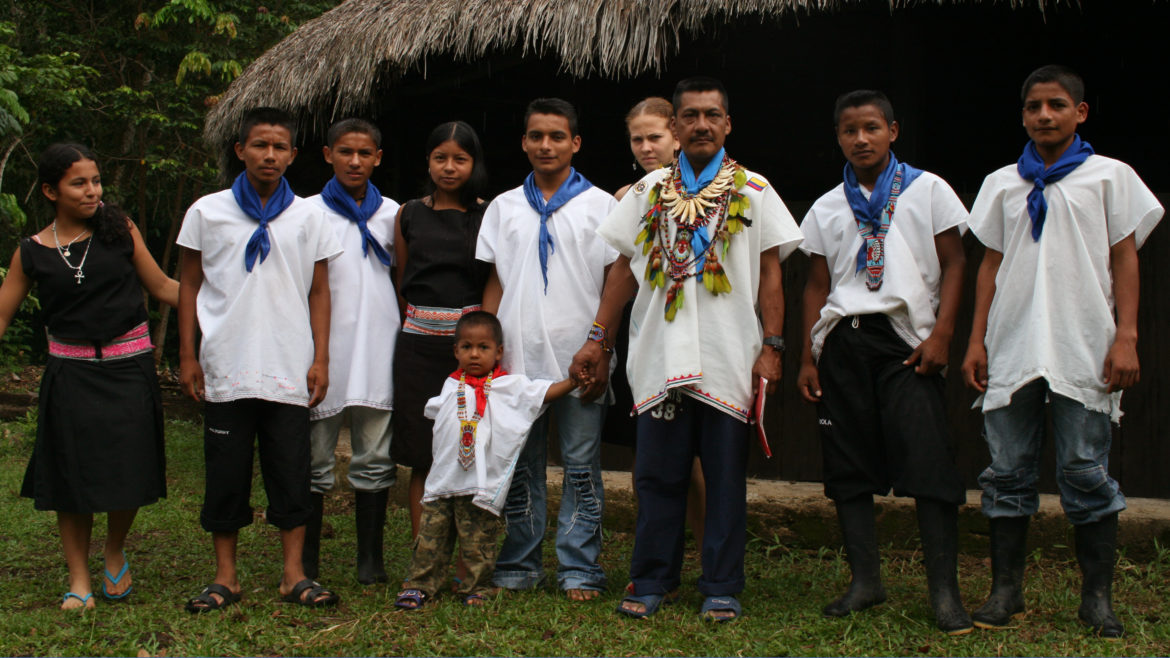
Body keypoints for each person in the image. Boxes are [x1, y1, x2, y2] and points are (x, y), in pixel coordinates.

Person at [571, 77, 803, 621]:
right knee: (657, 475)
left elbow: (771, 275)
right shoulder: (649, 193)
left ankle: (721, 584)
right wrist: (598, 338)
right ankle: (653, 580)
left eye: (712, 115)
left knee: (723, 478)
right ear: (674, 127)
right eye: (690, 116)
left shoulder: (754, 191)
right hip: (658, 354)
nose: (701, 124)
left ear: (727, 125)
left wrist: (772, 346)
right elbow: (624, 277)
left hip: (728, 355)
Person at [960, 65, 1163, 638]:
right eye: (1033, 106)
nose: (1044, 115)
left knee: (1083, 468)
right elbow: (990, 265)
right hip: (1013, 341)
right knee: (1006, 471)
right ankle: (1006, 592)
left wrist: (1127, 334)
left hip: (1083, 342)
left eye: (1056, 104)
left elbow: (1125, 257)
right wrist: (976, 339)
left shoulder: (1109, 177)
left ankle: (1096, 599)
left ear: (1080, 112)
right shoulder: (1003, 182)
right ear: (1022, 114)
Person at [796, 90, 971, 634]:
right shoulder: (827, 205)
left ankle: (945, 594)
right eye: (849, 130)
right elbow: (817, 285)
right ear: (839, 138)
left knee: (927, 461)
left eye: (871, 128)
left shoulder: (928, 190)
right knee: (847, 466)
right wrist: (808, 354)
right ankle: (865, 582)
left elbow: (955, 262)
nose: (860, 139)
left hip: (907, 342)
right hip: (843, 341)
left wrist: (943, 335)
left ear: (893, 131)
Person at [177, 107, 343, 612]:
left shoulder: (311, 216)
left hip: (289, 364)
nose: (269, 155)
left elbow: (319, 290)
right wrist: (188, 355)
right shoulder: (207, 212)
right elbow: (189, 284)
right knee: (226, 473)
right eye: (259, 145)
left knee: (291, 471)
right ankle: (225, 577)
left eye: (279, 147)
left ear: (293, 155)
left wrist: (321, 358)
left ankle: (293, 575)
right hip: (227, 363)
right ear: (240, 150)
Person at [0, 143, 177, 610]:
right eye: (79, 183)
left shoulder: (121, 230)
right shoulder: (31, 253)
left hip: (129, 368)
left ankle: (114, 549)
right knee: (70, 477)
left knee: (129, 468)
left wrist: (230, 300)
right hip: (70, 375)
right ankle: (79, 579)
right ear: (50, 190)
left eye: (96, 180)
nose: (92, 190)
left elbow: (161, 287)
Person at [478, 98, 617, 600]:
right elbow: (496, 281)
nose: (545, 145)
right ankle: (518, 564)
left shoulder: (602, 206)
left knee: (581, 464)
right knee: (521, 464)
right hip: (517, 360)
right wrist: (490, 350)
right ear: (523, 142)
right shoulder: (503, 207)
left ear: (575, 143)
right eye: (536, 136)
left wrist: (602, 348)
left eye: (557, 136)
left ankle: (580, 568)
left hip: (580, 356)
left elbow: (613, 285)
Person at [394, 312, 579, 609]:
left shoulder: (507, 386)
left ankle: (476, 587)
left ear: (499, 352)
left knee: (479, 541)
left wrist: (572, 381)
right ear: (456, 351)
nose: (475, 354)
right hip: (443, 482)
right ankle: (419, 584)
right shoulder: (450, 385)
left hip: (478, 485)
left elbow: (541, 394)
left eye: (483, 347)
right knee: (431, 538)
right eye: (466, 347)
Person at [302, 118, 401, 585]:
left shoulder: (395, 215)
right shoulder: (304, 213)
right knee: (315, 458)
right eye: (345, 152)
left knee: (375, 456)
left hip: (379, 349)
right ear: (328, 154)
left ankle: (370, 559)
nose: (355, 161)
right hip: (321, 353)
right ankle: (307, 560)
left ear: (379, 157)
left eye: (365, 153)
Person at [612, 97, 707, 554]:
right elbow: (619, 270)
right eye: (637, 139)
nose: (646, 147)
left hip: (699, 333)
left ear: (676, 136)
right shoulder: (630, 197)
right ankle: (656, 548)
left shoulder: (718, 189)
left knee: (697, 459)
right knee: (649, 447)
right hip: (648, 330)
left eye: (655, 137)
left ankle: (708, 549)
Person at [392, 121, 491, 554]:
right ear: (428, 161)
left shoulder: (487, 214)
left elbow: (493, 278)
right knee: (422, 453)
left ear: (474, 164)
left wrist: (480, 344)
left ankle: (468, 556)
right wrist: (413, 327)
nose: (449, 168)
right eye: (440, 158)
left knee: (468, 448)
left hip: (467, 355)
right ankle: (424, 554)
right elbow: (402, 277)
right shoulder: (409, 212)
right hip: (416, 348)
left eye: (460, 159)